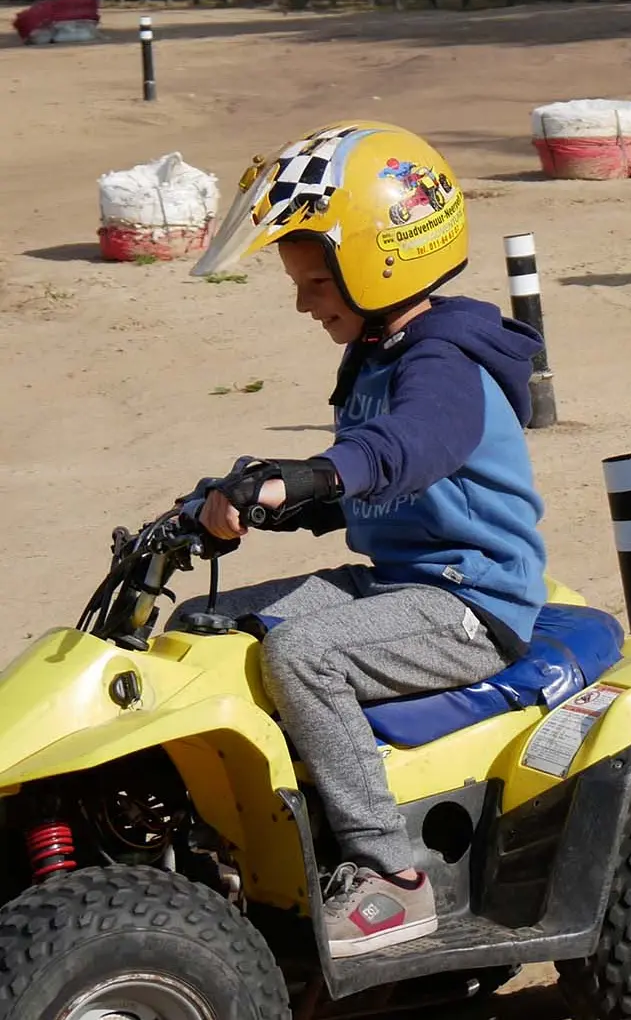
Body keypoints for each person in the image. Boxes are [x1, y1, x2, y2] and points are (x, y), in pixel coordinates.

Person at [172, 120, 550, 960]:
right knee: (210, 627)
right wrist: (245, 499)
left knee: (303, 653)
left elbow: (403, 449)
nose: (304, 301)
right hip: (395, 582)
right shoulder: (377, 355)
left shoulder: (446, 366)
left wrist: (308, 476)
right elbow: (358, 489)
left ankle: (392, 877)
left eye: (313, 282)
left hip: (470, 602)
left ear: (381, 263)